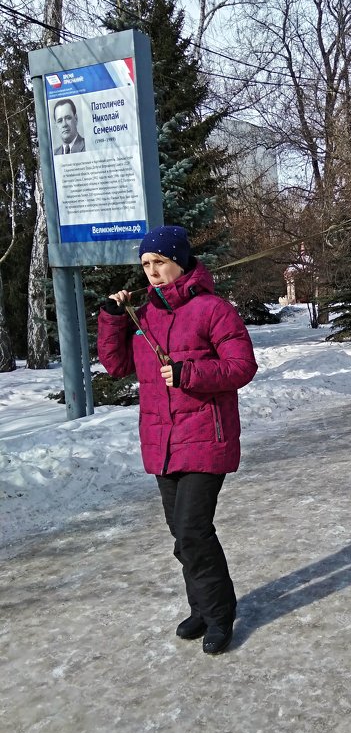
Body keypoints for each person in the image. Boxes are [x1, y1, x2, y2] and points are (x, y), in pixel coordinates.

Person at [98, 225, 258, 655]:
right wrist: (114, 318)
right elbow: (115, 367)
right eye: (146, 264)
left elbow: (242, 366)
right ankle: (204, 607)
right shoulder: (144, 315)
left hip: (206, 436)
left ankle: (220, 615)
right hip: (162, 440)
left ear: (179, 262)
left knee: (192, 530)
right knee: (180, 533)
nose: (152, 272)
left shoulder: (213, 310)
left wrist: (191, 374)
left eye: (160, 263)